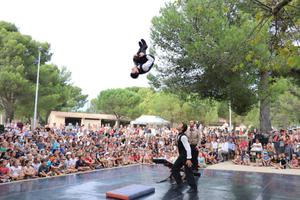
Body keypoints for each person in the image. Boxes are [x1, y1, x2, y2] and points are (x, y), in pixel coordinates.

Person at [171, 122, 197, 193]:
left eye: (180, 124)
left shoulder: (183, 137)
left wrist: (189, 159)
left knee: (188, 172)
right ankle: (180, 183)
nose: (178, 124)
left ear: (182, 128)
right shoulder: (178, 135)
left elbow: (188, 148)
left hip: (185, 157)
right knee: (174, 169)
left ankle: (193, 188)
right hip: (181, 156)